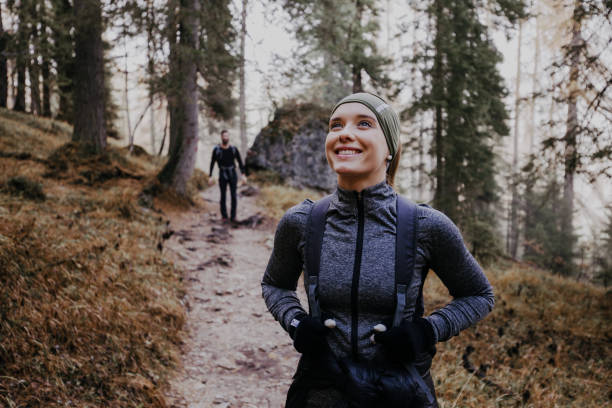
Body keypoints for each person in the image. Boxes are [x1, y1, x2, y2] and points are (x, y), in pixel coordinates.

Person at [261, 92, 494, 407]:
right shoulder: (301, 222)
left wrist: (426, 332)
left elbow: (479, 295)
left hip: (399, 395)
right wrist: (296, 322)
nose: (345, 133)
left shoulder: (427, 226)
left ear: (390, 149)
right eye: (336, 125)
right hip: (319, 393)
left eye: (364, 124)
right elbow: (275, 284)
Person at [209, 129, 247, 222]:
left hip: (232, 173)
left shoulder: (234, 149)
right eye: (224, 136)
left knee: (233, 195)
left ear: (229, 137)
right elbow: (212, 163)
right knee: (223, 195)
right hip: (222, 173)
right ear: (221, 137)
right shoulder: (217, 150)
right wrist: (210, 176)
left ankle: (233, 216)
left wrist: (243, 174)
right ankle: (224, 216)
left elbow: (240, 162)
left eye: (227, 136)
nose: (225, 137)